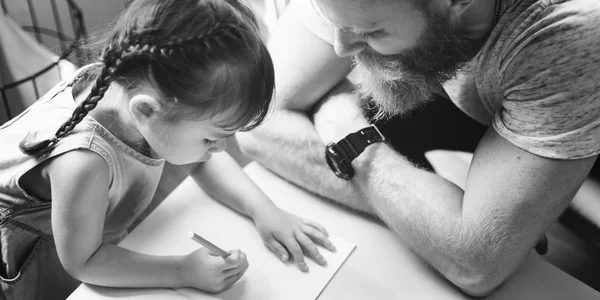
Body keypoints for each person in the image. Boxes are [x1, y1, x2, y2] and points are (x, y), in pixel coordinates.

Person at [237, 0, 600, 296]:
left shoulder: (566, 31)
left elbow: (474, 265)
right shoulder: (356, 9)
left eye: (370, 30)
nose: (339, 46)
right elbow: (256, 123)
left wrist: (349, 133)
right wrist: (432, 223)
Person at [0, 0, 335, 299]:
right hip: (39, 256)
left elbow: (200, 161)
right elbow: (83, 261)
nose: (218, 150)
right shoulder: (83, 164)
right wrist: (183, 271)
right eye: (211, 138)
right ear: (146, 111)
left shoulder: (136, 90)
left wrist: (263, 209)